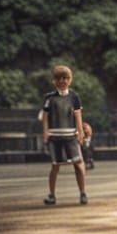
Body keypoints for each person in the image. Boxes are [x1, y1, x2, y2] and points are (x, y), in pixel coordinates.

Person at [41, 65, 88, 206]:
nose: (63, 81)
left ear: (70, 80)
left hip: (71, 136)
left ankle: (83, 192)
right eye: (59, 78)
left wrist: (80, 132)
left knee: (78, 164)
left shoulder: (74, 97)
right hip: (55, 137)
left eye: (66, 78)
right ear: (54, 81)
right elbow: (45, 117)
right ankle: (52, 195)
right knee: (55, 166)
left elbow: (78, 115)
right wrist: (45, 133)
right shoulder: (49, 98)